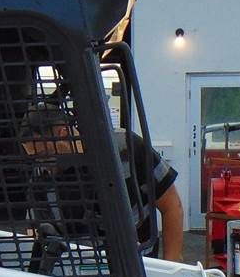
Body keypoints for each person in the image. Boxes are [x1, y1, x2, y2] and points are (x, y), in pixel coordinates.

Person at [19, 103, 184, 261]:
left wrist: (172, 265)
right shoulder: (41, 177)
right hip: (80, 273)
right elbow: (35, 231)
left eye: (44, 153)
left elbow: (171, 206)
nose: (40, 163)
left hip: (139, 267)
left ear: (63, 134)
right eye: (34, 157)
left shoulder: (125, 148)